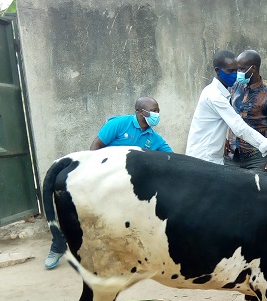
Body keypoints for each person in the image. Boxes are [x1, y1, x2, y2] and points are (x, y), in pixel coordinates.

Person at [45, 97, 172, 269]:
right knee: (79, 214)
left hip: (123, 188)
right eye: (154, 110)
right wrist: (96, 176)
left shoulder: (154, 138)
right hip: (100, 178)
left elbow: (171, 157)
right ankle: (58, 245)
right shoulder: (119, 124)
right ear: (141, 111)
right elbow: (94, 147)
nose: (157, 115)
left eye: (158, 111)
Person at [186, 50, 267, 166]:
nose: (236, 74)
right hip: (206, 158)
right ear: (217, 71)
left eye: (237, 70)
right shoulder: (215, 95)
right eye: (231, 71)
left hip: (252, 155)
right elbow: (238, 127)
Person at [224, 50, 267, 173]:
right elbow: (225, 115)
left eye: (241, 69)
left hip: (257, 156)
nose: (238, 72)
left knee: (256, 191)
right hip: (231, 154)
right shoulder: (234, 86)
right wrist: (224, 139)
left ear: (253, 68)